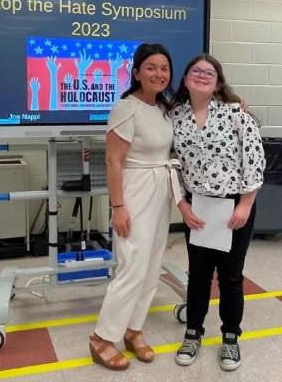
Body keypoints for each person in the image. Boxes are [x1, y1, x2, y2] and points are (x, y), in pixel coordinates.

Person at [89, 43, 183, 370]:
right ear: (136, 73)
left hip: (162, 190)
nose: (159, 74)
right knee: (131, 265)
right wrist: (118, 207)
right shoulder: (125, 108)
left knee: (151, 263)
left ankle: (133, 329)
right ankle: (102, 337)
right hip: (135, 190)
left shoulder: (165, 107)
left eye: (164, 68)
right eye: (151, 68)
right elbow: (113, 161)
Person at [172, 53, 265, 371]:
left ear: (218, 82)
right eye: (194, 71)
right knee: (197, 275)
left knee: (230, 276)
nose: (200, 75)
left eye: (208, 72)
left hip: (234, 206)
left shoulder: (236, 113)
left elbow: (255, 159)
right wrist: (180, 203)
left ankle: (230, 339)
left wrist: (246, 205)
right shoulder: (176, 116)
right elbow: (171, 164)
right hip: (196, 207)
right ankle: (193, 332)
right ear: (185, 80)